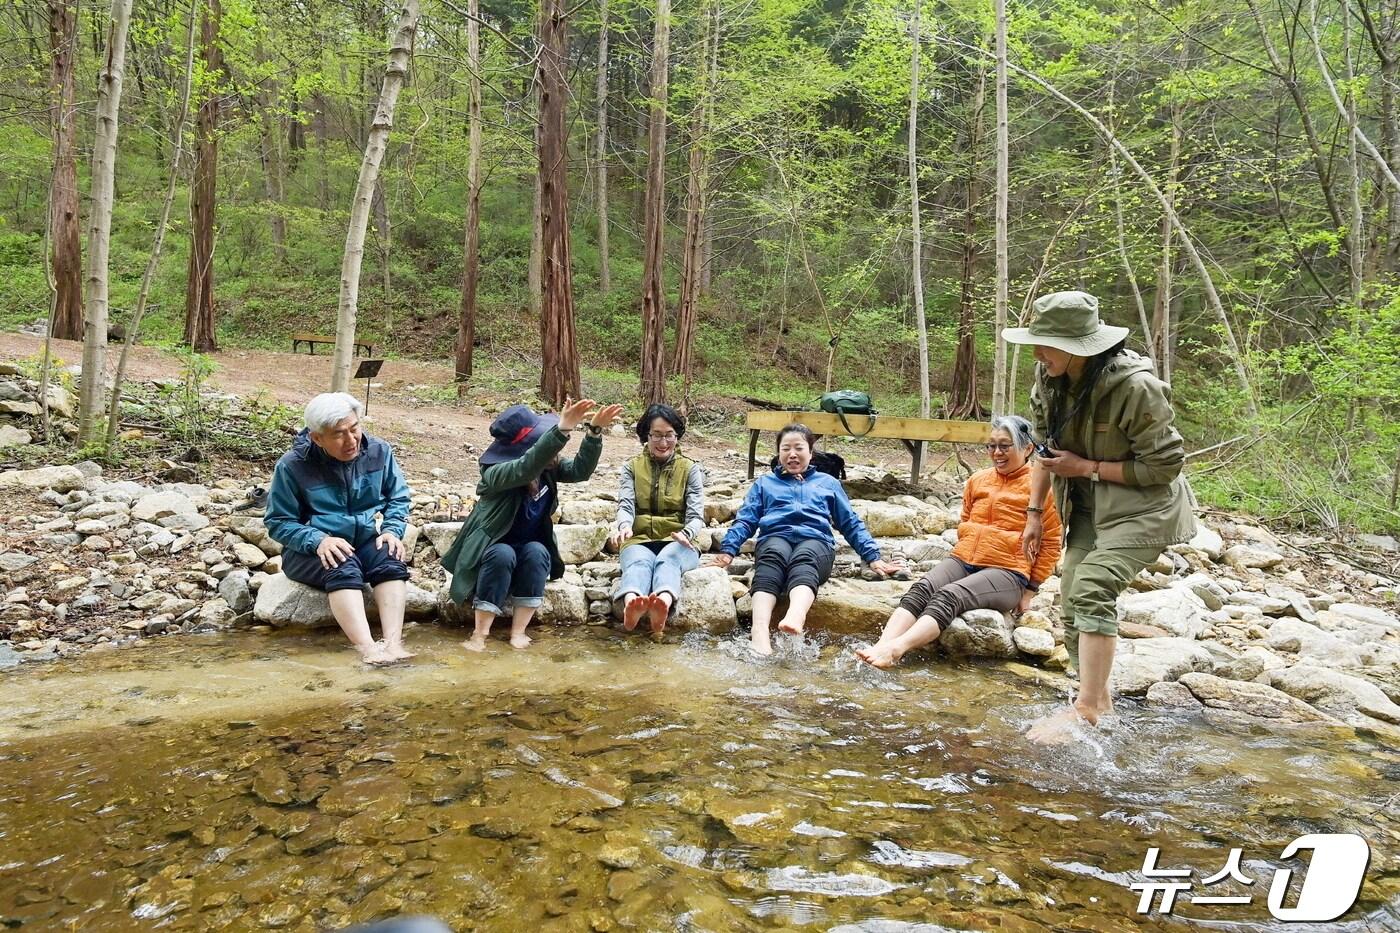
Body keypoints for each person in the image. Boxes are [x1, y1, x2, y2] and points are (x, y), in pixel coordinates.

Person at [1003, 291, 1196, 744]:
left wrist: (1087, 468)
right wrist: (1034, 513)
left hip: (1145, 507)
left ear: (1078, 347)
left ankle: (1087, 710)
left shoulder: (1136, 388)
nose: (1036, 352)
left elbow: (1166, 466)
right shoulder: (1048, 377)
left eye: (1045, 343)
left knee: (1092, 588)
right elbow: (1047, 454)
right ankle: (1096, 698)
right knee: (1072, 599)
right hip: (1087, 506)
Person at [856, 415, 1063, 669]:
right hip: (964, 559)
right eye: (992, 445)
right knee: (922, 589)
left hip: (1008, 571)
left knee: (949, 596)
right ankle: (879, 646)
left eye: (1005, 446)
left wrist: (1030, 589)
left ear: (1028, 448)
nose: (997, 452)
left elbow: (1052, 541)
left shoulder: (1040, 488)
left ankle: (896, 650)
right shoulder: (978, 480)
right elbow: (965, 521)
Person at [441, 398, 624, 651]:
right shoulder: (493, 473)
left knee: (538, 551)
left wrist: (593, 433)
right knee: (502, 554)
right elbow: (524, 469)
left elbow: (580, 471)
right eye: (539, 439)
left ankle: (518, 632)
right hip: (490, 555)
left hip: (527, 551)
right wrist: (560, 431)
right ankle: (479, 634)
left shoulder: (549, 467)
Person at [711, 424, 901, 655]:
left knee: (805, 557)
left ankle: (795, 616)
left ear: (810, 453)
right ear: (779, 454)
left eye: (798, 448)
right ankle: (759, 633)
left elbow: (849, 522)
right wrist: (728, 550)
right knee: (771, 557)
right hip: (775, 536)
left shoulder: (828, 483)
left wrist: (872, 556)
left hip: (816, 541)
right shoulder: (765, 483)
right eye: (785, 449)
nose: (792, 454)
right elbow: (746, 520)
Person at [264, 392, 413, 666]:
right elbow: (278, 522)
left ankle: (394, 643)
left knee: (390, 559)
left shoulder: (379, 452)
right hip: (308, 549)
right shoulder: (292, 466)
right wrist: (318, 539)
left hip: (364, 540)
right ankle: (368, 649)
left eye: (355, 429)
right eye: (339, 434)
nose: (351, 440)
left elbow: (399, 497)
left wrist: (391, 529)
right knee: (342, 564)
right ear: (317, 438)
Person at [609, 404, 706, 633]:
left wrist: (686, 534)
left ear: (677, 435)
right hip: (639, 537)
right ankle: (632, 602)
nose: (663, 443)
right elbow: (625, 505)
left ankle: (663, 602)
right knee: (638, 563)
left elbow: (695, 515)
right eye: (657, 436)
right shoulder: (631, 467)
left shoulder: (690, 468)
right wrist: (624, 525)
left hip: (679, 541)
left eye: (669, 435)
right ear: (646, 435)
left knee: (667, 561)